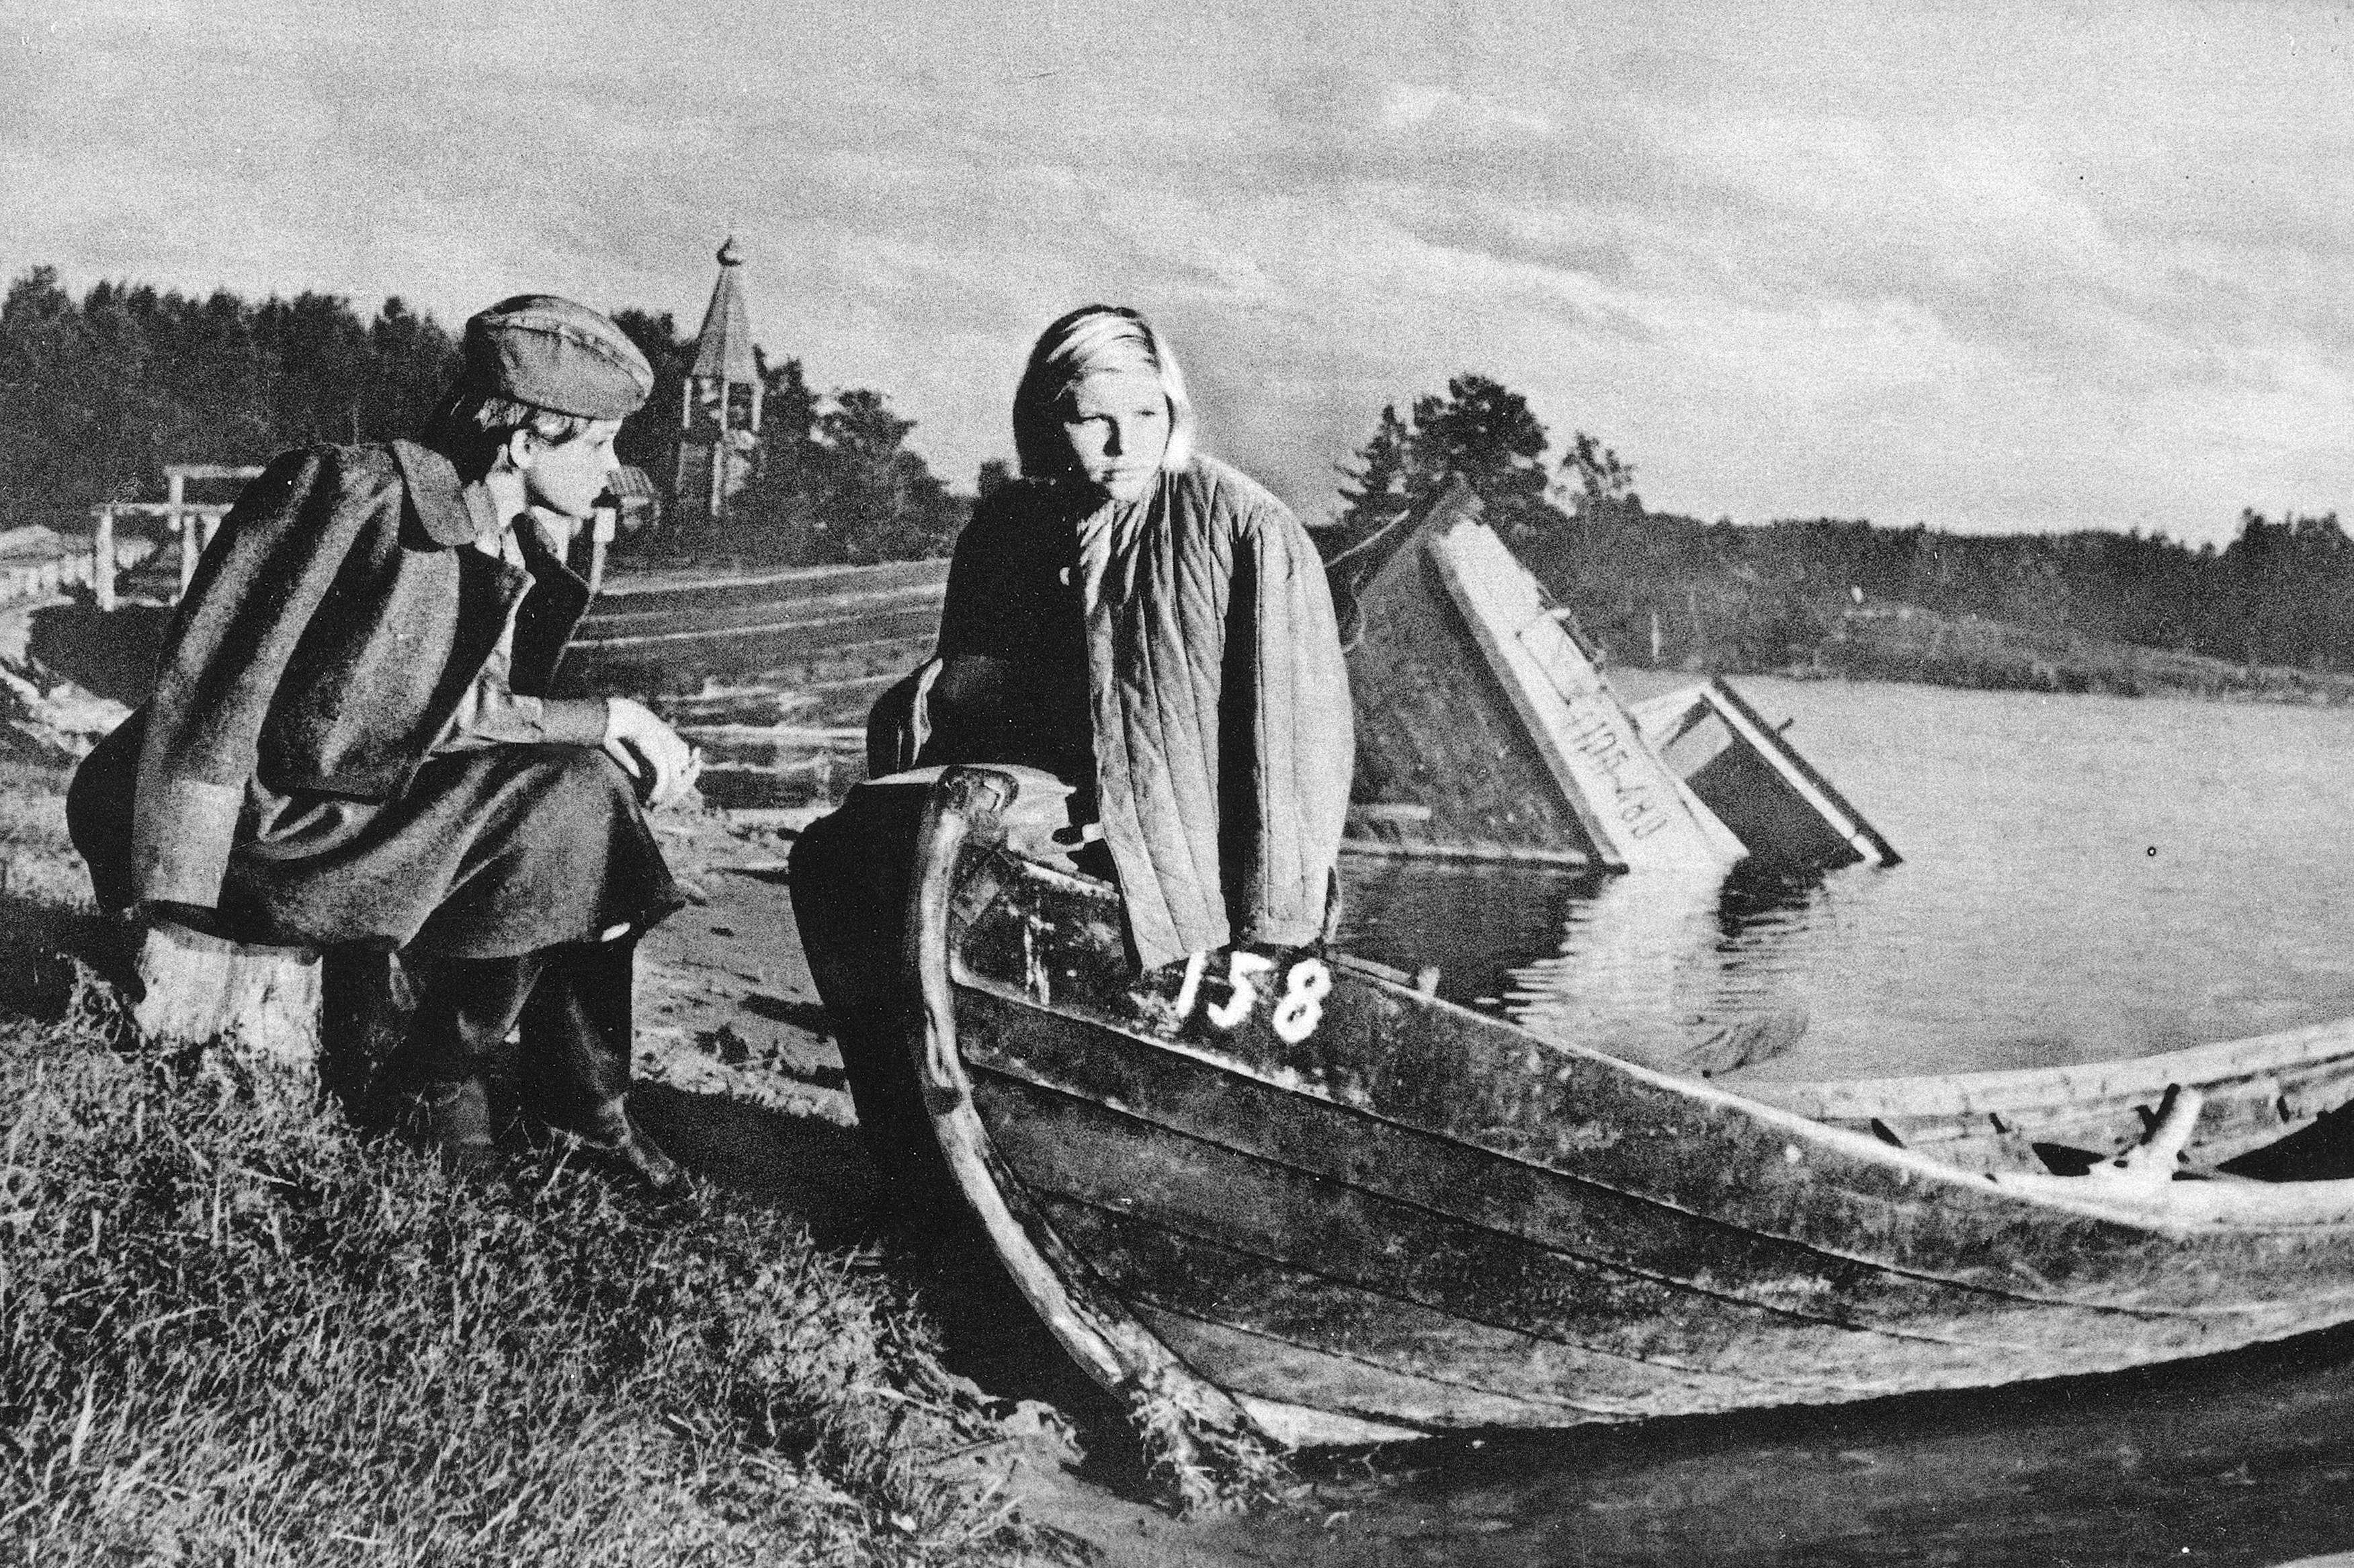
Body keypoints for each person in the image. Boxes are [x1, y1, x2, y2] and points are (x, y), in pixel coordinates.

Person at [67, 294, 699, 1190]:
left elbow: (440, 712)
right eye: (599, 444)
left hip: (345, 809)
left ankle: (564, 1102)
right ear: (524, 443)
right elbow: (255, 688)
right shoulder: (361, 495)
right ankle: (452, 1083)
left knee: (584, 792)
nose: (611, 471)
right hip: (263, 828)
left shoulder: (492, 527)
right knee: (580, 791)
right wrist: (612, 718)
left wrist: (596, 723)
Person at [868, 303, 1353, 972]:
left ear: (1173, 412)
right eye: (1092, 419)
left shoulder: (1246, 527)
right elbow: (958, 703)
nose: (1125, 445)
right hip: (1049, 830)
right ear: (1045, 420)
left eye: (1147, 415)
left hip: (1193, 882)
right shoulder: (1005, 526)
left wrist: (1275, 932)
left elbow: (1294, 750)